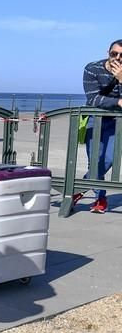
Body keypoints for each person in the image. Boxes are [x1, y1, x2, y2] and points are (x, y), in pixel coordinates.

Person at [74, 39, 122, 214]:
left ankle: (77, 189)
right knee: (95, 159)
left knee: (109, 159)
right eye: (114, 54)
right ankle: (100, 197)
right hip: (95, 118)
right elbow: (94, 99)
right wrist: (117, 101)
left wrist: (121, 79)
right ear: (108, 53)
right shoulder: (92, 68)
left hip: (117, 121)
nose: (118, 58)